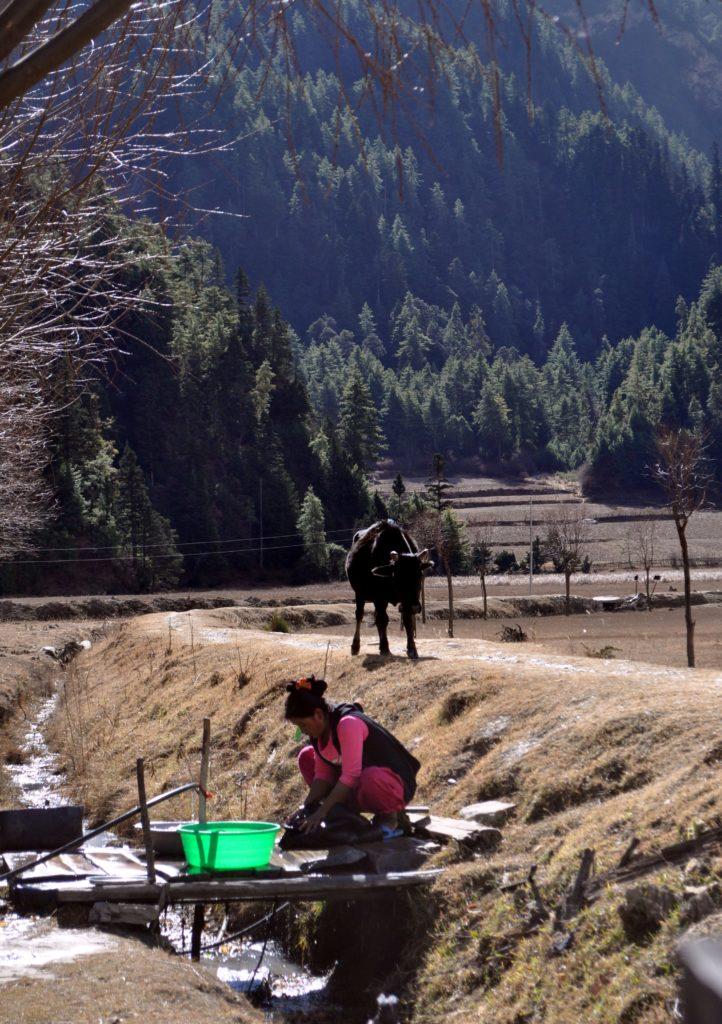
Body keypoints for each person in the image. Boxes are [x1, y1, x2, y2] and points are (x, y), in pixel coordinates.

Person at [284, 675, 420, 837]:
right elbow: (323, 775)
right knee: (307, 757)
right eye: (299, 726)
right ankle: (346, 815)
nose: (303, 731)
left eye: (303, 725)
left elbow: (350, 776)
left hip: (393, 786)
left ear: (318, 715)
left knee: (370, 778)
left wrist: (321, 812)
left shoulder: (348, 724)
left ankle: (391, 819)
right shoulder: (318, 733)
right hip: (359, 785)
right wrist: (305, 809)